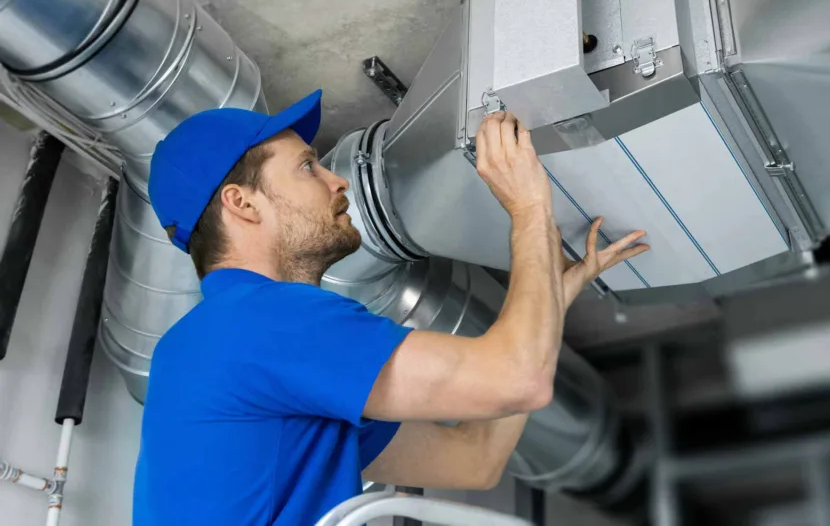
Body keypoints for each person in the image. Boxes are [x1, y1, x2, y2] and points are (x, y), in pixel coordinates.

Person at [133, 89, 649, 525]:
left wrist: (551, 299)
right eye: (307, 167)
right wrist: (529, 206)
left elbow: (476, 460)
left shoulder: (223, 347)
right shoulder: (259, 323)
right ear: (242, 203)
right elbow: (519, 382)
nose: (336, 180)